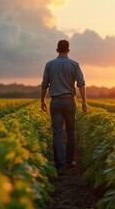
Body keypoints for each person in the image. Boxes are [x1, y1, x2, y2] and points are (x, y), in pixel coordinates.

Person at [40, 39, 87, 175]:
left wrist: (42, 100)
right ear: (68, 50)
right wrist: (84, 101)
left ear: (56, 50)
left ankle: (59, 164)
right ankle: (69, 162)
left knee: (57, 133)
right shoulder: (74, 64)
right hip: (69, 101)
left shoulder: (49, 64)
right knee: (71, 132)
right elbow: (81, 84)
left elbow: (44, 84)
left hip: (55, 102)